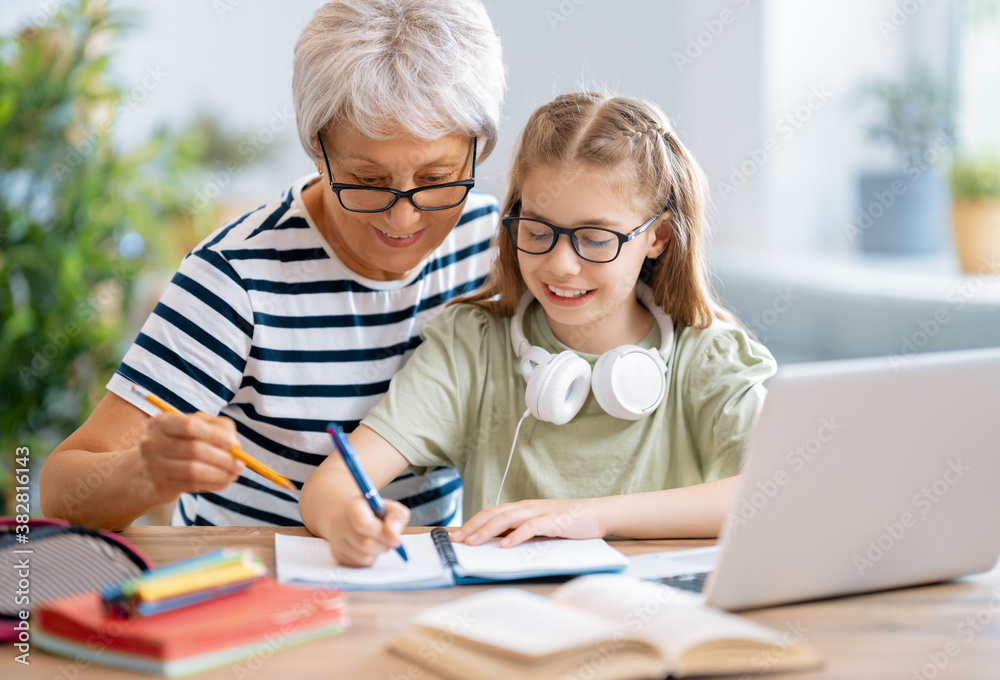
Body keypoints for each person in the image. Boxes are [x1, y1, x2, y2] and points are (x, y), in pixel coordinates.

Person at [39, 0, 506, 530]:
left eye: (437, 177)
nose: (403, 217)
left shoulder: (494, 246)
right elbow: (59, 491)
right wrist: (146, 473)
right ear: (316, 148)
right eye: (368, 181)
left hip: (417, 583)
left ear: (479, 149)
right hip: (249, 581)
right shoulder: (237, 277)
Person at [299, 91, 778, 566]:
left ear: (657, 236)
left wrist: (590, 517)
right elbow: (331, 485)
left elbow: (776, 492)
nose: (561, 264)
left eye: (594, 238)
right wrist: (347, 520)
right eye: (537, 231)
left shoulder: (707, 357)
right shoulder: (475, 347)